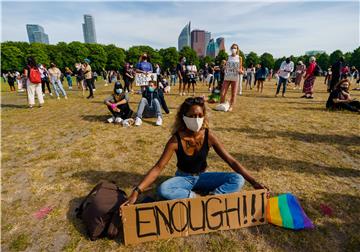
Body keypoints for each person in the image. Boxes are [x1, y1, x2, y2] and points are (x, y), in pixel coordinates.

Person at [123, 97, 268, 204]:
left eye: (199, 115)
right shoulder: (175, 140)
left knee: (237, 179)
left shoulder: (208, 136)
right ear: (183, 117)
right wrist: (137, 191)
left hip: (202, 177)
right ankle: (197, 198)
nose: (196, 119)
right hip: (183, 178)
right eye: (192, 116)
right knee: (164, 190)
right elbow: (158, 168)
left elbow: (231, 161)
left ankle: (212, 198)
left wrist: (253, 182)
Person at [220, 43, 243, 112]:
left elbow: (241, 68)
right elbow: (226, 67)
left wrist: (240, 71)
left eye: (235, 48)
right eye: (233, 48)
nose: (234, 49)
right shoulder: (228, 57)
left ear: (237, 49)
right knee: (222, 93)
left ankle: (231, 106)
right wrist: (224, 67)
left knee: (233, 93)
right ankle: (222, 105)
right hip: (227, 77)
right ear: (230, 49)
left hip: (235, 77)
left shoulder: (239, 58)